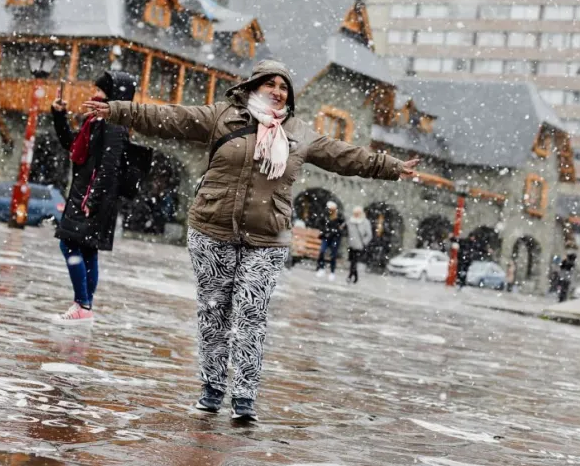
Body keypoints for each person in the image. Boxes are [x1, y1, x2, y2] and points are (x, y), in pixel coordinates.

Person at [88, 59, 418, 421]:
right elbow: (172, 118)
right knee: (215, 311)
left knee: (250, 312)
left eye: (284, 87)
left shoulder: (298, 132)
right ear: (253, 87)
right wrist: (118, 110)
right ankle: (212, 388)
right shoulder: (223, 116)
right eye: (270, 84)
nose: (278, 91)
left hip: (267, 236)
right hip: (212, 228)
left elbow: (344, 155)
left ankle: (244, 395)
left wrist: (389, 166)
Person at [50, 71, 137, 324]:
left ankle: (83, 303)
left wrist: (93, 200)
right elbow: (72, 143)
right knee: (87, 250)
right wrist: (59, 116)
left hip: (92, 196)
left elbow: (108, 168)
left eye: (99, 91)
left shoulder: (113, 124)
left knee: (69, 244)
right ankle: (84, 306)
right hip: (86, 193)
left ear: (113, 96)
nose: (94, 94)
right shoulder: (96, 121)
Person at [315, 201, 346, 281]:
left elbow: (343, 227)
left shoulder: (339, 217)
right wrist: (325, 231)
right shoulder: (325, 216)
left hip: (335, 238)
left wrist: (338, 230)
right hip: (326, 236)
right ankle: (321, 268)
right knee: (322, 251)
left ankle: (332, 272)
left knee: (333, 255)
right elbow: (319, 224)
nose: (331, 211)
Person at [346, 206, 372, 284]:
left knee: (354, 261)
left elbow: (369, 235)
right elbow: (347, 231)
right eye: (355, 213)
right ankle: (355, 276)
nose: (356, 215)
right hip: (351, 244)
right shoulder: (350, 221)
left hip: (360, 245)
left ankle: (350, 276)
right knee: (352, 261)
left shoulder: (365, 222)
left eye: (358, 213)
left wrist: (364, 242)